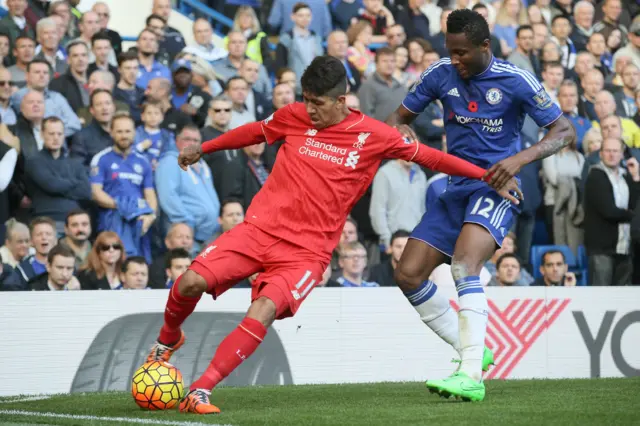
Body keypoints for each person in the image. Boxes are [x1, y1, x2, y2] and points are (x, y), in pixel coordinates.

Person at [144, 54, 520, 413]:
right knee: (190, 281)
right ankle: (168, 338)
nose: (310, 110)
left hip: (306, 253)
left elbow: (432, 158)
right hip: (258, 230)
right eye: (306, 100)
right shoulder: (293, 117)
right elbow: (255, 132)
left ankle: (201, 388)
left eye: (318, 103)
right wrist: (204, 148)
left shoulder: (374, 135)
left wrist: (487, 176)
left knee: (264, 309)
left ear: (341, 100)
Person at [385, 9, 575, 401]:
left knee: (463, 266)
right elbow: (399, 119)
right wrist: (406, 139)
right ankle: (472, 348)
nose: (455, 61)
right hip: (454, 188)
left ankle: (471, 374)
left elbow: (564, 130)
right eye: (450, 52)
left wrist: (518, 159)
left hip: (496, 189)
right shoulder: (440, 73)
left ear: (484, 46)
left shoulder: (516, 79)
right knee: (408, 274)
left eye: (462, 53)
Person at [90, 114, 158, 262]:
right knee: (114, 263)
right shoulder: (101, 159)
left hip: (138, 221)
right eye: (119, 131)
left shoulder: (143, 161)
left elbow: (150, 193)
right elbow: (96, 192)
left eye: (127, 131)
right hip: (111, 221)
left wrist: (150, 216)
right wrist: (123, 206)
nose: (124, 136)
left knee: (138, 265)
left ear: (134, 133)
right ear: (111, 132)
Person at [584, 138, 640, 286]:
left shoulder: (625, 176)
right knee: (601, 297)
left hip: (624, 247)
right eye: (608, 151)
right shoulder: (595, 175)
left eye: (615, 151)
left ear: (622, 154)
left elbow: (635, 205)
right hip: (602, 249)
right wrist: (632, 216)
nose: (612, 155)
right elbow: (609, 211)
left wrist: (635, 178)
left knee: (621, 298)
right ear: (601, 154)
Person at [156, 125, 220, 248]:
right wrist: (186, 221)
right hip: (185, 234)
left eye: (196, 141)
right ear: (177, 141)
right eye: (187, 139)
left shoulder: (202, 164)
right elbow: (168, 196)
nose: (192, 143)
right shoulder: (170, 162)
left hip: (206, 237)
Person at [25, 116, 91, 233]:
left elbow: (86, 192)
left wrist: (60, 183)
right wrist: (75, 182)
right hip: (45, 220)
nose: (56, 138)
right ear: (42, 134)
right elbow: (52, 185)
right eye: (51, 134)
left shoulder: (74, 164)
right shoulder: (34, 161)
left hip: (74, 222)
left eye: (59, 134)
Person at [148, 222, 194, 288]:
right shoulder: (157, 267)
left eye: (188, 237)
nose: (185, 241)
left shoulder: (198, 264)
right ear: (168, 242)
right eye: (179, 237)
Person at [134, 102, 174, 169]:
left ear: (162, 117)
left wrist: (161, 162)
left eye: (156, 113)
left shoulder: (167, 136)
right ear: (142, 116)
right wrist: (140, 147)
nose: (153, 116)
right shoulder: (137, 133)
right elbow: (129, 151)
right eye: (149, 113)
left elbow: (171, 153)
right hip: (139, 168)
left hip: (160, 169)